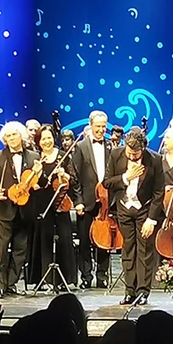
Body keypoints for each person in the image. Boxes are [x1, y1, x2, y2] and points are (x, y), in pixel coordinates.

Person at [104, 128, 165, 305]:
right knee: (128, 249)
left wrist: (151, 219)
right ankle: (129, 291)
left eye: (135, 154)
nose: (131, 157)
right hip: (123, 208)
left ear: (143, 149)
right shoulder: (116, 154)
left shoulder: (155, 159)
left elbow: (158, 191)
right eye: (129, 153)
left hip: (144, 209)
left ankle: (143, 292)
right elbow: (107, 182)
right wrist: (125, 177)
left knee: (144, 250)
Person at [0, 121, 40, 298]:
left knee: (20, 250)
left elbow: (40, 182)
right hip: (5, 209)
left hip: (25, 209)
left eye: (14, 135)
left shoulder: (34, 156)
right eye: (8, 136)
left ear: (21, 136)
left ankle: (11, 283)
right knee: (1, 250)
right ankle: (0, 285)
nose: (12, 138)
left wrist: (39, 174)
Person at [29, 124, 78, 290]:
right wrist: (37, 174)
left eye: (49, 138)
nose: (47, 141)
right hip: (42, 204)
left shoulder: (63, 156)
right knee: (44, 240)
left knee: (64, 239)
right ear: (39, 141)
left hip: (60, 203)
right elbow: (37, 184)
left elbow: (74, 180)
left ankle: (65, 279)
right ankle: (45, 279)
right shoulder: (36, 159)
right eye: (43, 139)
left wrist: (65, 175)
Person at [72, 110, 112, 289]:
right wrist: (78, 201)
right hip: (87, 202)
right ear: (90, 126)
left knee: (105, 241)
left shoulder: (111, 146)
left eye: (104, 126)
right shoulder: (80, 147)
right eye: (98, 126)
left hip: (106, 202)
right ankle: (86, 277)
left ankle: (102, 276)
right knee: (85, 241)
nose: (101, 130)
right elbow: (75, 177)